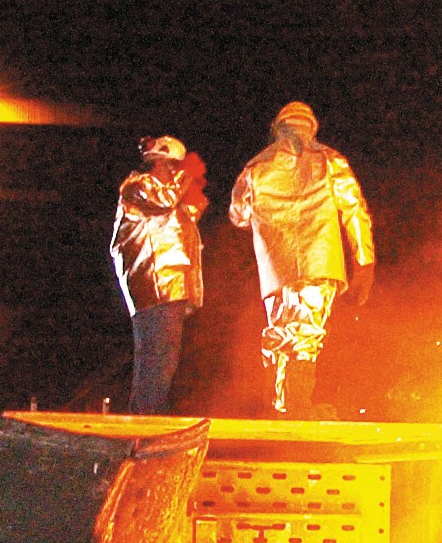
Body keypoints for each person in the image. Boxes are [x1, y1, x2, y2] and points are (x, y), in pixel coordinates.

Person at [229, 101, 374, 417]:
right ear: (311, 127)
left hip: (275, 271)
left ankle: (278, 406)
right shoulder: (330, 160)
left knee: (280, 334)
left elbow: (237, 215)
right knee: (306, 334)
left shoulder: (255, 168)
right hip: (319, 263)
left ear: (276, 129)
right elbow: (354, 211)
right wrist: (364, 263)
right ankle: (297, 407)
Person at [111, 135, 206, 414]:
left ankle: (148, 412)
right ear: (160, 163)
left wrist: (194, 196)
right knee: (156, 354)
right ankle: (148, 415)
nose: (176, 172)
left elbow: (183, 219)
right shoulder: (137, 186)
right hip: (154, 285)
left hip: (171, 285)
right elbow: (164, 200)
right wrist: (186, 176)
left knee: (163, 355)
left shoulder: (163, 196)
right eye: (173, 166)